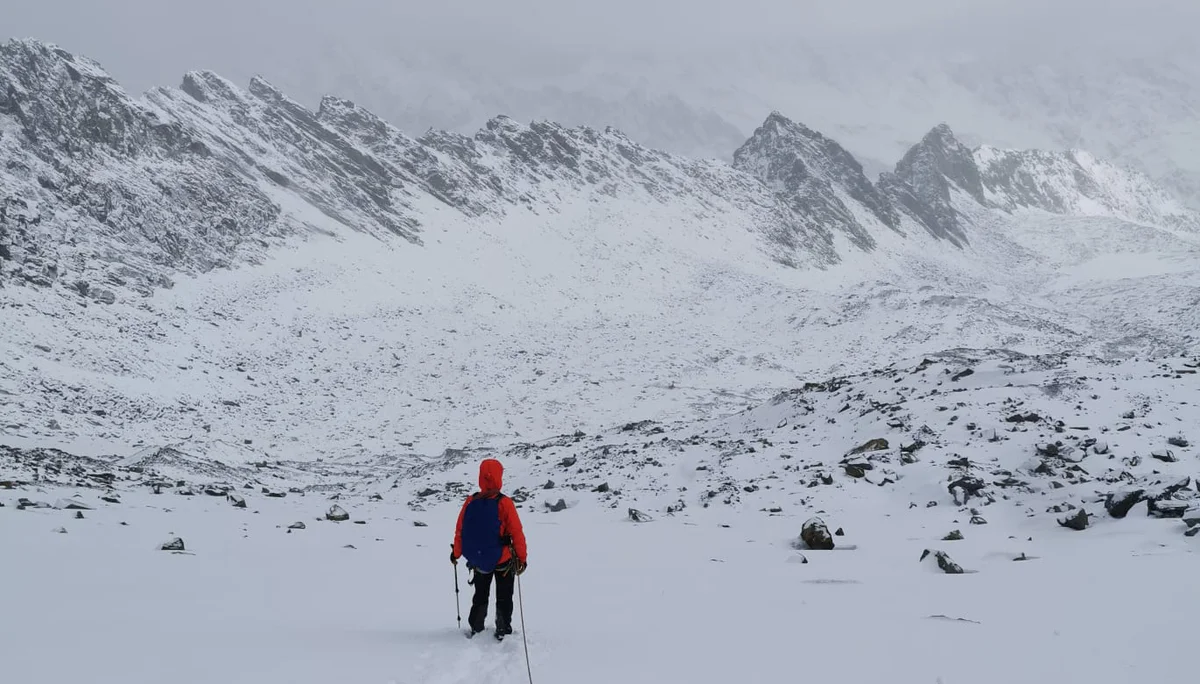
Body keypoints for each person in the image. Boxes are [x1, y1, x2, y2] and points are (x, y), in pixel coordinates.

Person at [451, 458, 528, 638]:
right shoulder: (504, 503)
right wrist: (522, 558)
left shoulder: (470, 501)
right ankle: (502, 629)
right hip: (503, 560)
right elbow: (517, 532)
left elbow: (460, 530)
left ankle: (476, 627)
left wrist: (456, 553)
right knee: (504, 596)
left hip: (479, 560)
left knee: (480, 594)